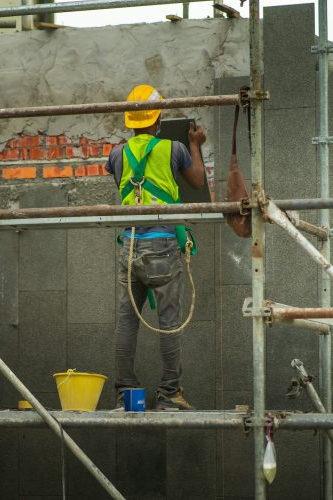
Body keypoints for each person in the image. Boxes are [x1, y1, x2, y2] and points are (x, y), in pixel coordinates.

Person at [105, 84, 206, 410]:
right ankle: (169, 394)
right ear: (158, 117)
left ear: (130, 121)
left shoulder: (116, 154)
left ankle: (125, 394)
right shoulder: (174, 149)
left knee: (127, 322)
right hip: (162, 246)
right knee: (170, 322)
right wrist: (195, 145)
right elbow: (197, 182)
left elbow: (121, 181)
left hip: (130, 247)